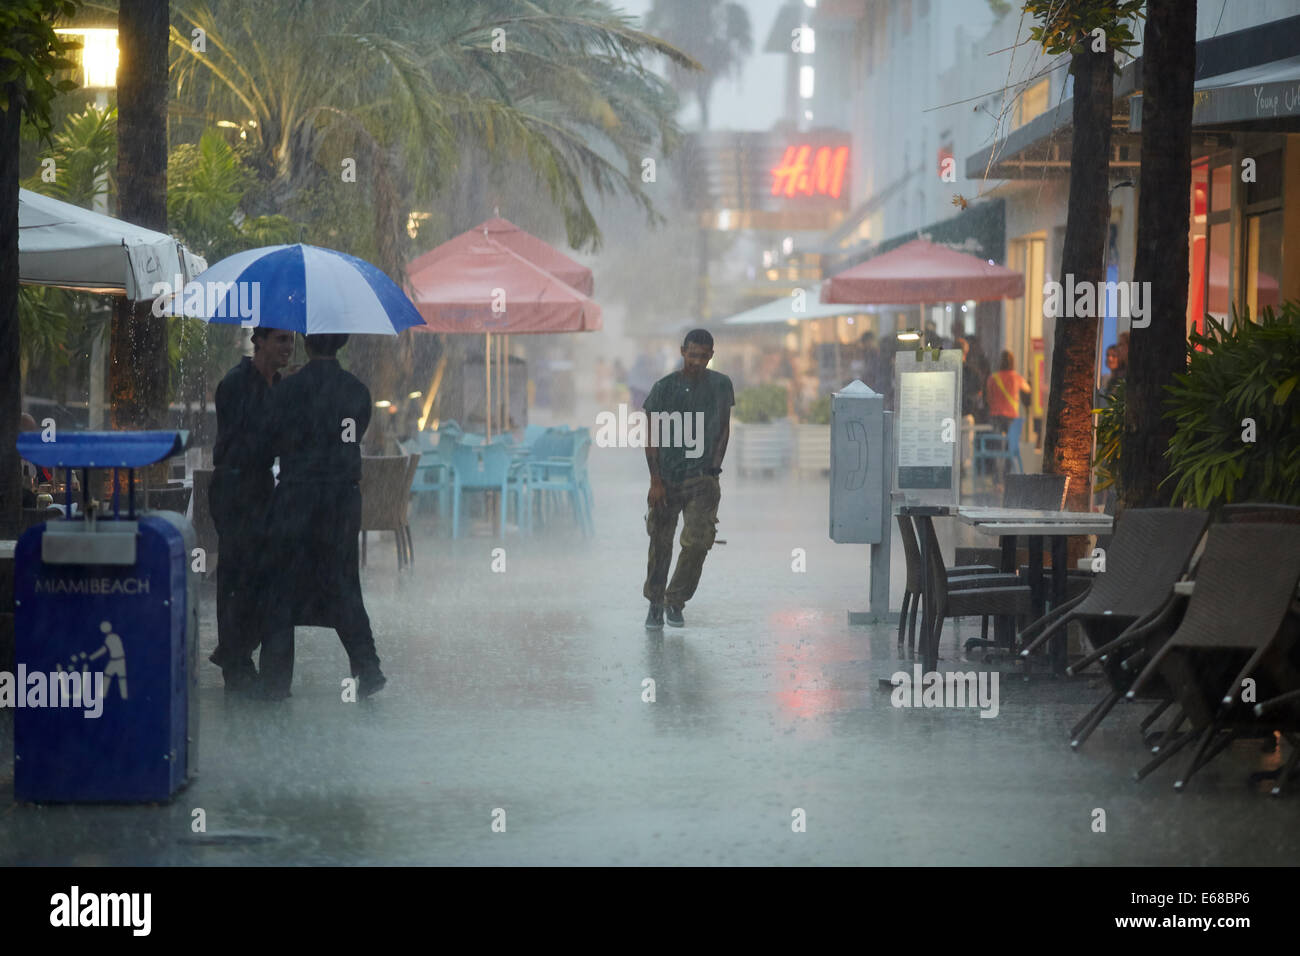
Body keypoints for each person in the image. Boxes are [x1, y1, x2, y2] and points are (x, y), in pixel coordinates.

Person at [256, 333, 386, 700]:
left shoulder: (289, 390)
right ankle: (369, 666)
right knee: (344, 581)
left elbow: (275, 441)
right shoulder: (357, 392)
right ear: (341, 344)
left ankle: (275, 681)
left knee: (281, 585)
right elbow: (351, 437)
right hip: (342, 499)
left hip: (297, 496)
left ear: (307, 344)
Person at [208, 326, 295, 693]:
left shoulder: (277, 386)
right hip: (234, 488)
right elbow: (254, 437)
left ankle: (237, 652)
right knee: (237, 574)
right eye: (280, 340)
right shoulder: (236, 384)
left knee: (258, 575)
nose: (288, 348)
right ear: (258, 340)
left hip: (259, 485)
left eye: (291, 340)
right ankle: (235, 661)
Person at [642, 329, 734, 629]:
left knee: (698, 543)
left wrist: (714, 470)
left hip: (702, 480)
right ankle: (655, 603)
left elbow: (723, 429)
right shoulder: (663, 388)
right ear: (683, 351)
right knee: (660, 542)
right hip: (667, 479)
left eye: (703, 356)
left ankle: (675, 600)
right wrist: (655, 480)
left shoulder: (721, 385)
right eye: (691, 354)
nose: (696, 361)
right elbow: (651, 436)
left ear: (711, 355)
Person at [985, 350, 1031, 478]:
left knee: (996, 449)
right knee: (1010, 449)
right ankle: (1007, 477)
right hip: (1012, 417)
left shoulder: (992, 378)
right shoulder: (1016, 377)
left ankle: (996, 480)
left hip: (995, 416)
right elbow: (1027, 389)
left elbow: (988, 398)